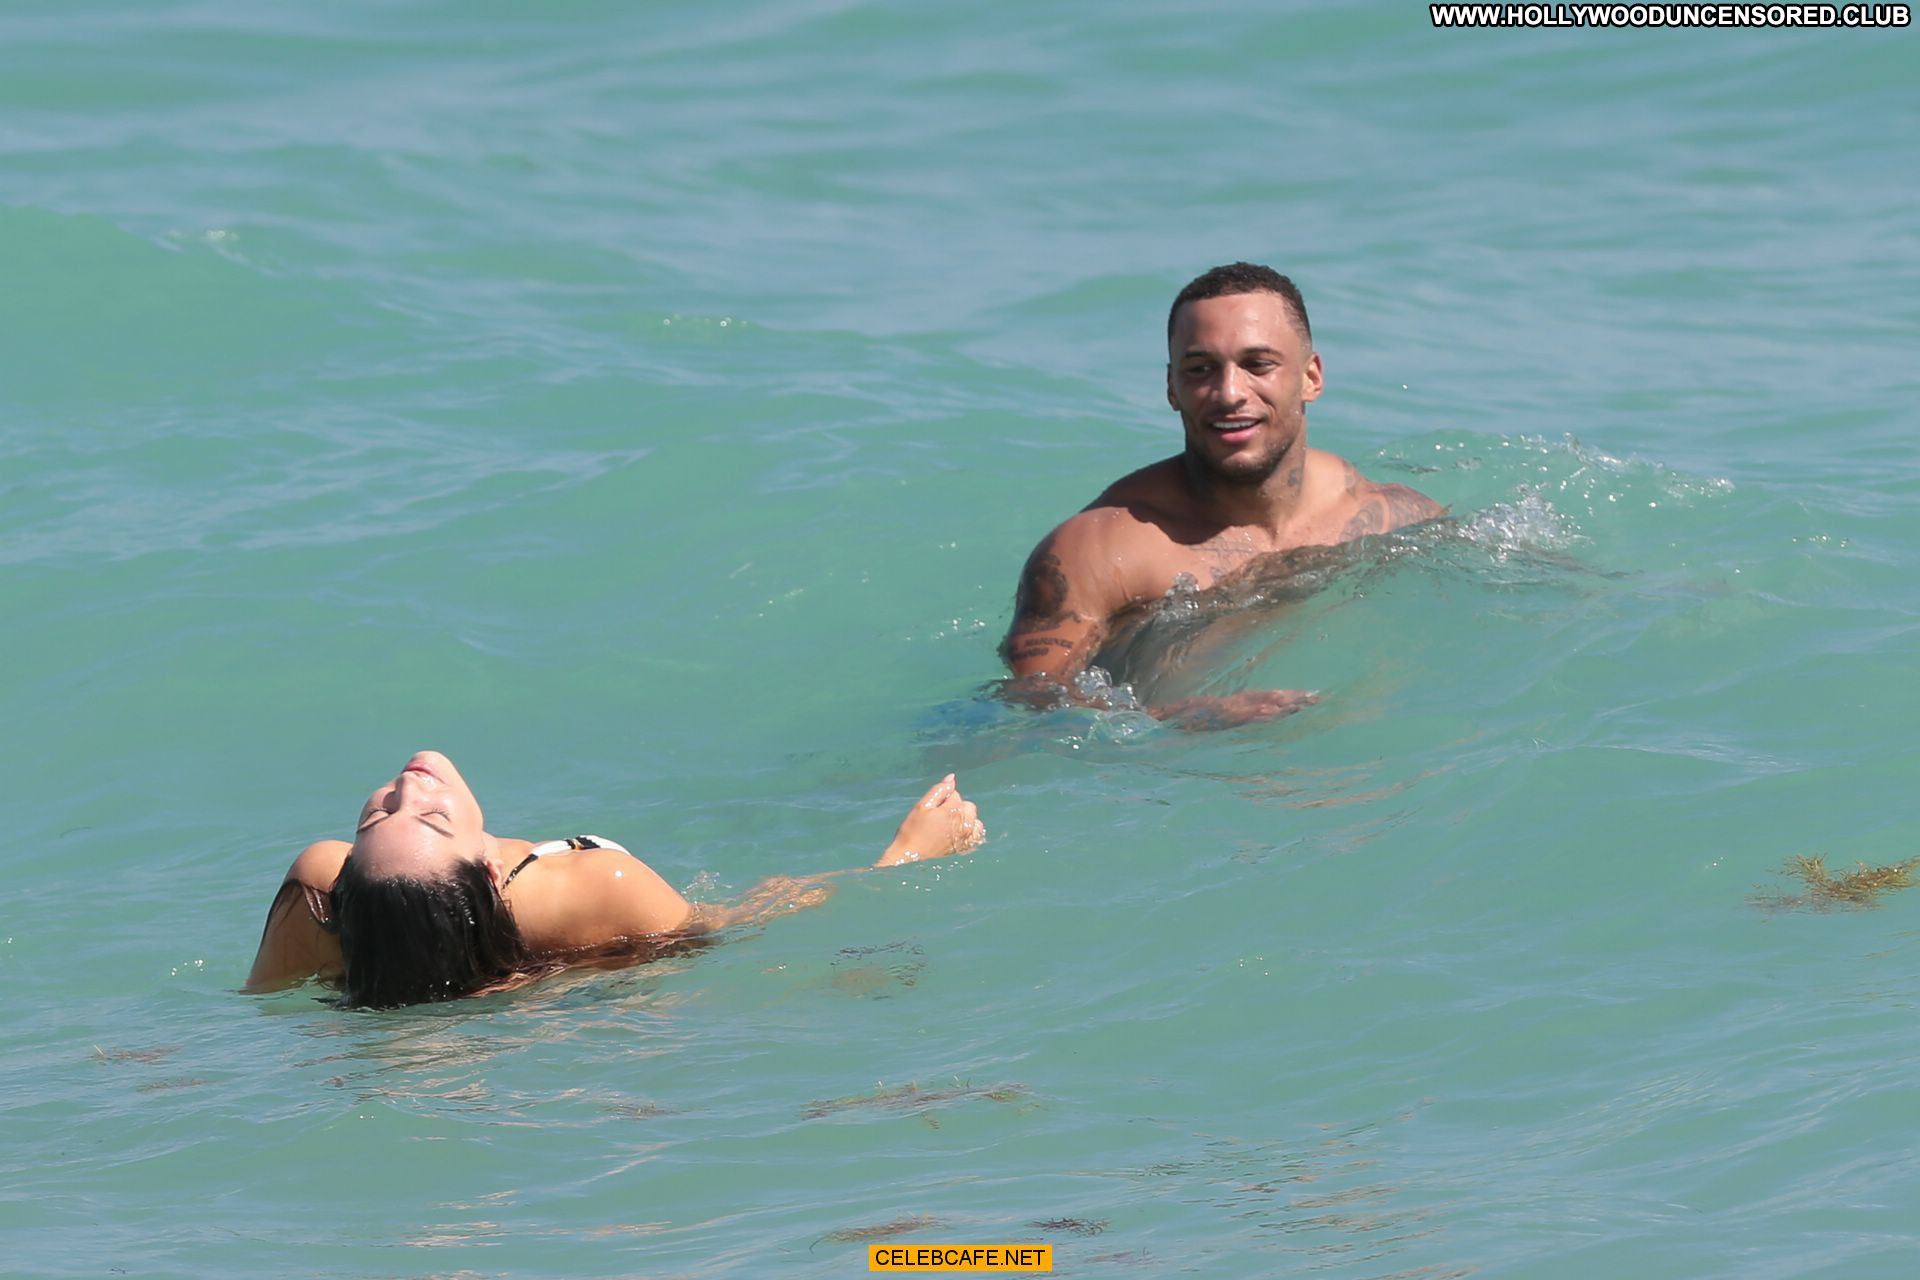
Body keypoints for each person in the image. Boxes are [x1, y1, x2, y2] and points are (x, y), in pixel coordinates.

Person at [1000, 262, 1447, 729]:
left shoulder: (1389, 515)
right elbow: (1027, 707)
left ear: (1311, 378)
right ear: (1172, 387)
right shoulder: (1096, 553)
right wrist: (1171, 722)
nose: (1229, 393)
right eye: (1200, 369)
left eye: (1258, 365)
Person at [246, 750, 985, 1008]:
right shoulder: (599, 887)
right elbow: (746, 930)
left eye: (377, 817)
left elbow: (265, 1003)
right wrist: (904, 859)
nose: (408, 787)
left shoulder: (319, 898)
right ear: (491, 875)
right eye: (431, 819)